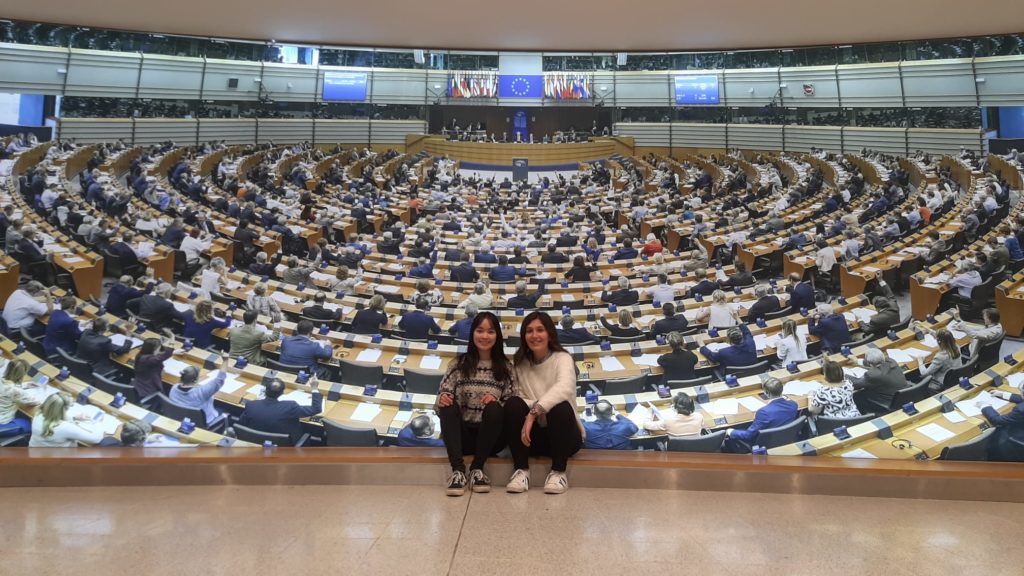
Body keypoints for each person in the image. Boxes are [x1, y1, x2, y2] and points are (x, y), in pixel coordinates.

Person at [436, 311, 515, 496]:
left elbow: (512, 401)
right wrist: (442, 398)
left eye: (490, 331)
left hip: (491, 437)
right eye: (480, 331)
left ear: (497, 335)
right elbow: (443, 393)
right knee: (446, 404)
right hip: (463, 435)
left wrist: (497, 402)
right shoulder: (458, 364)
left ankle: (477, 469)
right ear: (472, 333)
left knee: (495, 408)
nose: (485, 336)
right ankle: (458, 471)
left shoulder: (506, 368)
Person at [503, 311, 583, 494]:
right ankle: (521, 470)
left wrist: (534, 411)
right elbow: (519, 396)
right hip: (532, 437)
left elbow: (565, 387)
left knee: (560, 407)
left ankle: (558, 472)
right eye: (529, 331)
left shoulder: (563, 358)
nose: (534, 335)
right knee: (513, 404)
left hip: (564, 435)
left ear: (549, 333)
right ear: (524, 335)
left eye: (540, 330)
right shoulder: (520, 363)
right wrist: (538, 410)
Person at [238, 377, 323, 444]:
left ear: (265, 390)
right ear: (282, 393)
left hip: (256, 442)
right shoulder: (290, 407)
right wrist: (314, 388)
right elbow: (316, 408)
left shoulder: (251, 405)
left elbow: (241, 425)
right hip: (285, 446)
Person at [723, 377, 798, 453]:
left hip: (763, 445)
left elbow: (748, 435)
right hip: (785, 440)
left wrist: (730, 431)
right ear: (782, 390)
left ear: (766, 393)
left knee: (728, 438)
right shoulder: (793, 405)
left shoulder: (763, 412)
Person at [29, 392, 109, 447]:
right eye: (68, 408)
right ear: (62, 410)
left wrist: (73, 418)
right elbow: (96, 439)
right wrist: (99, 423)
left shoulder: (38, 414)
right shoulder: (64, 428)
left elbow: (53, 416)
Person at [169, 354, 230, 425]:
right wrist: (225, 360)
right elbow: (220, 379)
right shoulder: (202, 392)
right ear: (195, 380)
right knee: (225, 410)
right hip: (202, 422)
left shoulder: (174, 388)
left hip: (180, 418)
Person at [981, 388, 1024, 461]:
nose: (1020, 394)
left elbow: (997, 420)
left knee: (995, 431)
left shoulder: (1020, 410)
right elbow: (1021, 399)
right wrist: (1003, 394)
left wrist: (985, 406)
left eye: (1022, 392)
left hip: (1017, 439)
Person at [0, 359, 39, 437]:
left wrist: (24, 385)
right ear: (23, 374)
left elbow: (8, 388)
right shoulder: (18, 391)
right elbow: (35, 402)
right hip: (2, 422)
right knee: (31, 424)